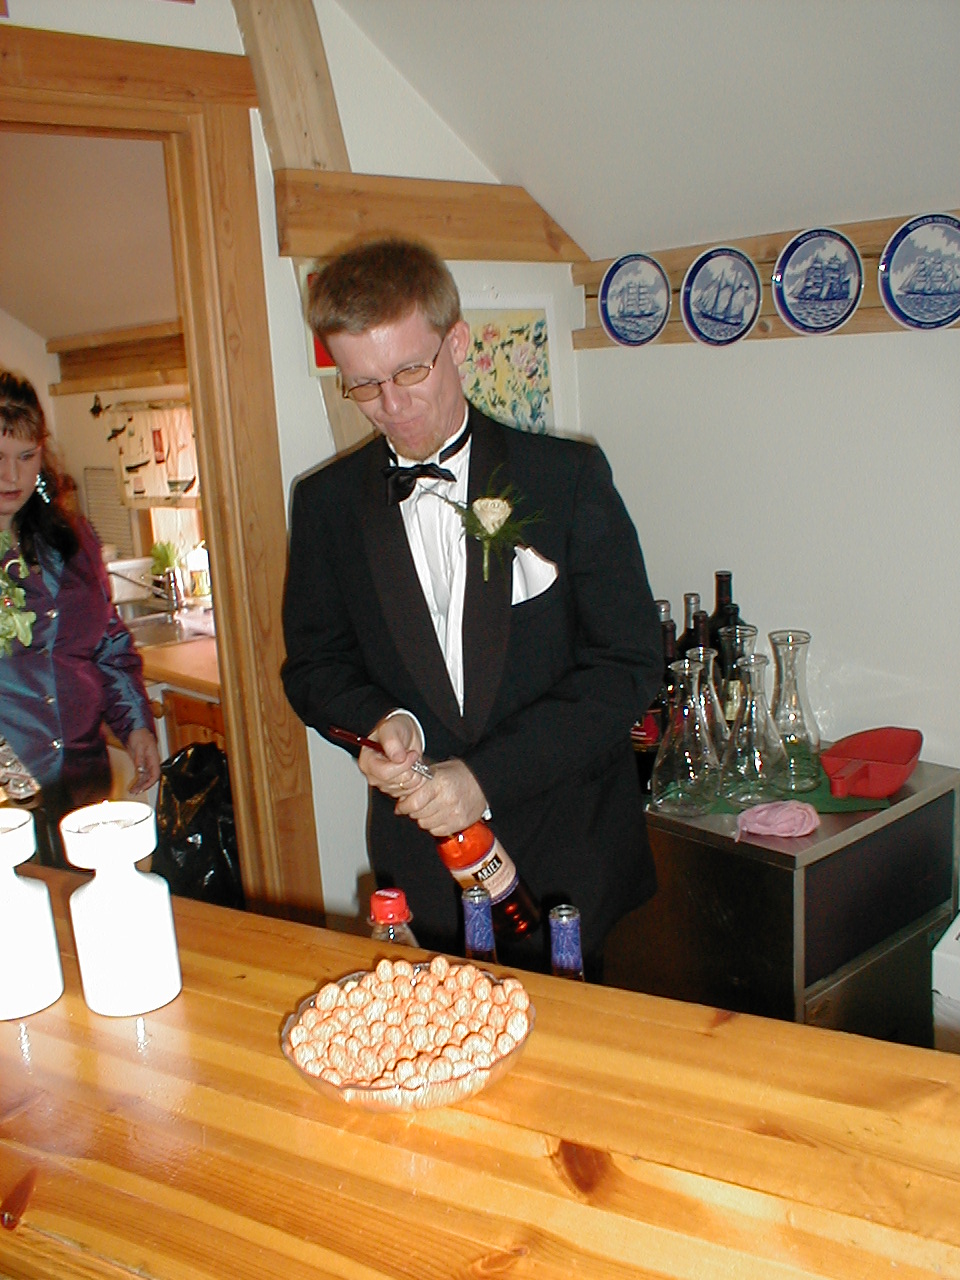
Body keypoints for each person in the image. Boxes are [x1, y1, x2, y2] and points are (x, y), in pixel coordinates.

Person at [282, 238, 662, 977]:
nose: (391, 406)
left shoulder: (568, 478)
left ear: (456, 342)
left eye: (409, 372)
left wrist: (482, 777)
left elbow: (628, 664)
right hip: (423, 871)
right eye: (363, 385)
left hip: (570, 862)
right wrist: (381, 721)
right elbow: (314, 666)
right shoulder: (326, 504)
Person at [0, 370, 161, 864]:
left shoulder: (71, 539)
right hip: (9, 800)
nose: (11, 477)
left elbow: (107, 640)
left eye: (26, 457)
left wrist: (135, 724)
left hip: (82, 781)